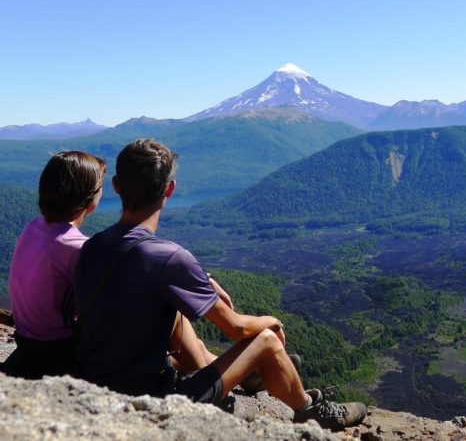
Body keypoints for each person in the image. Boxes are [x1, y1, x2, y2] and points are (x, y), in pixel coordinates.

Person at [74, 138, 366, 431]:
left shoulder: (92, 247)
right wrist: (274, 322)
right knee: (265, 339)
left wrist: (202, 281)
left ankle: (247, 374)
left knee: (173, 312)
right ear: (169, 189)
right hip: (154, 402)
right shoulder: (168, 257)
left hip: (96, 389)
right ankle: (311, 410)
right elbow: (236, 328)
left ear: (116, 186)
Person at [6, 151, 106, 378]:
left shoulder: (33, 226)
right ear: (90, 200)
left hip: (25, 339)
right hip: (57, 350)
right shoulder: (78, 247)